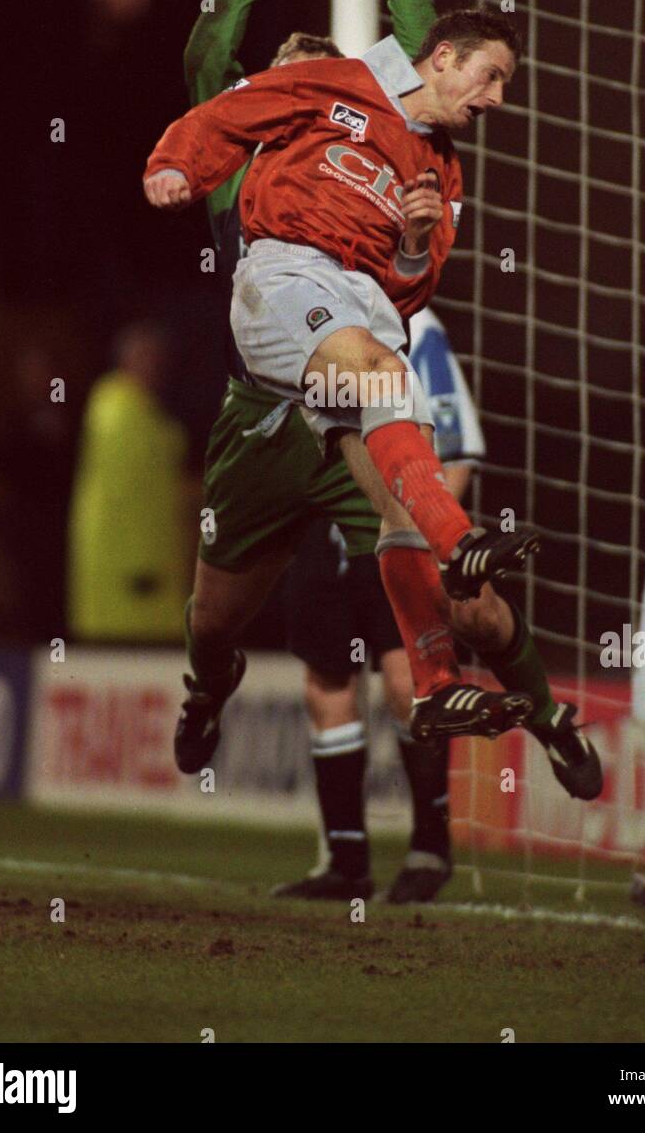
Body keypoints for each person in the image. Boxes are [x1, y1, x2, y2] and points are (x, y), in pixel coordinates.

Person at [144, 0, 601, 812]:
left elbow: (431, 63)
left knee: (460, 596)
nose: (300, 84)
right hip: (266, 416)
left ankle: (545, 714)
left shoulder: (389, 146)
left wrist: (408, 234)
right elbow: (211, 59)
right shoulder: (248, 170)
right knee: (218, 616)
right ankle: (206, 685)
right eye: (284, 76)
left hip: (351, 389)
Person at [277, 305, 486, 903]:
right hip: (321, 531)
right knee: (327, 684)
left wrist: (424, 535)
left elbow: (457, 450)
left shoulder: (416, 326)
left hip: (396, 535)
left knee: (406, 683)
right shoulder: (296, 313)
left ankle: (429, 847)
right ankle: (345, 865)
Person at [67, 321, 188, 641]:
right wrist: (139, 565)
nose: (158, 369)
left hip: (149, 565)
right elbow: (123, 494)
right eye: (149, 358)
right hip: (131, 572)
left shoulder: (142, 409)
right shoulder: (115, 409)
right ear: (128, 359)